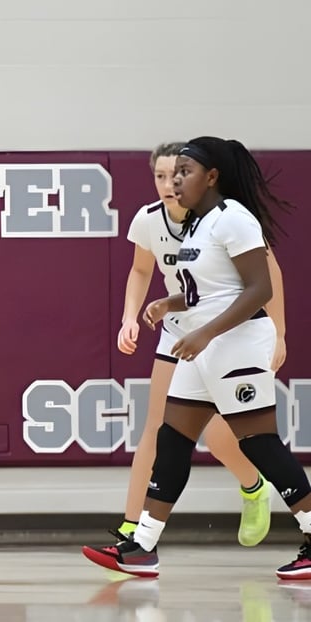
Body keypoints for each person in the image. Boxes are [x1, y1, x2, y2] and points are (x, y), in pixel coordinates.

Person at [82, 137, 311, 579]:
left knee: (259, 443)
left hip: (236, 341)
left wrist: (206, 332)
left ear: (212, 177)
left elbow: (259, 289)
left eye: (185, 171)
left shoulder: (235, 219)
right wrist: (169, 303)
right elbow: (207, 290)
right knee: (172, 439)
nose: (175, 181)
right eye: (170, 173)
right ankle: (142, 546)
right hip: (201, 344)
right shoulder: (195, 225)